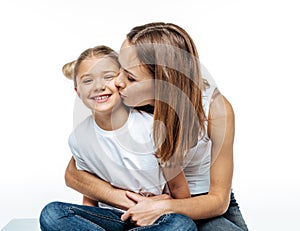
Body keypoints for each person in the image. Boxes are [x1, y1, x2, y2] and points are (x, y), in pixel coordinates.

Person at [64, 22, 249, 230]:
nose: (117, 82)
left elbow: (219, 200)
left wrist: (163, 207)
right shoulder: (125, 99)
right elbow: (74, 174)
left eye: (130, 77)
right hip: (145, 203)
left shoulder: (215, 109)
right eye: (120, 70)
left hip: (203, 203)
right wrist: (131, 202)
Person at [39, 45, 197, 231]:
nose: (99, 86)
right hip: (114, 218)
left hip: (154, 218)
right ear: (77, 91)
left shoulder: (153, 127)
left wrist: (164, 206)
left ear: (122, 81)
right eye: (88, 80)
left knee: (181, 225)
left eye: (108, 77)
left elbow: (180, 190)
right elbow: (89, 195)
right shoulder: (79, 139)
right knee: (52, 213)